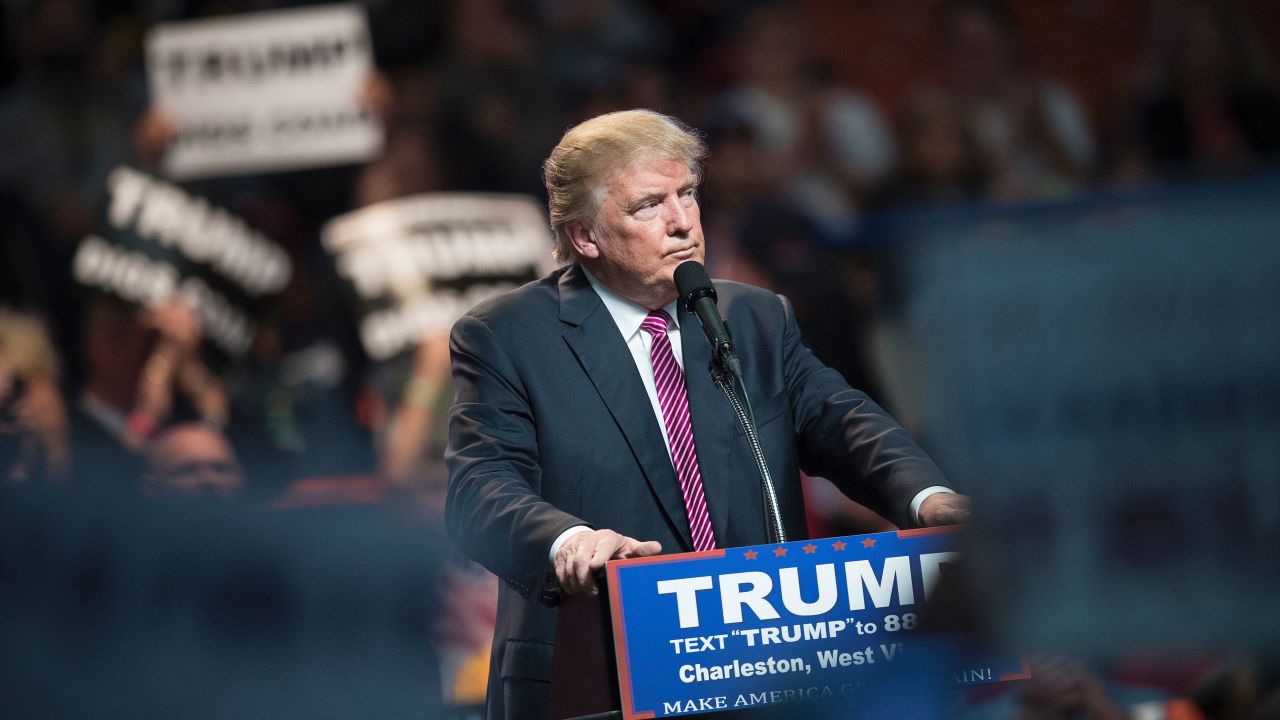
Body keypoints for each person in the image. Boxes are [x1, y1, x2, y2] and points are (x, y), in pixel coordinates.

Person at [445, 109, 969, 720]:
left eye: (687, 195)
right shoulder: (508, 336)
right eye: (648, 205)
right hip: (596, 676)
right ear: (585, 236)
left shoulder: (749, 318)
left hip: (758, 669)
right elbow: (479, 487)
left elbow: (842, 420)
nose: (681, 222)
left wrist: (928, 497)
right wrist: (568, 540)